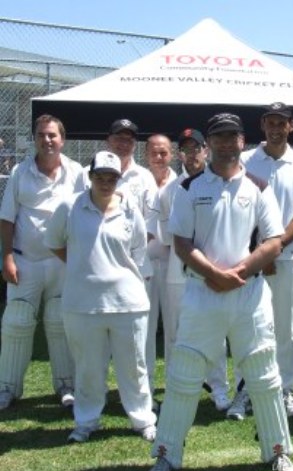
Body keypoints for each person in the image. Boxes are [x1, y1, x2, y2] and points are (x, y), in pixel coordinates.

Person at [147, 113, 293, 471]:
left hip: (250, 293)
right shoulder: (190, 187)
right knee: (184, 375)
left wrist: (241, 273)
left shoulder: (258, 186)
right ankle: (166, 454)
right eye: (219, 138)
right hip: (202, 291)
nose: (226, 144)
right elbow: (181, 242)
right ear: (209, 144)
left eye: (232, 137)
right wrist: (214, 274)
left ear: (242, 142)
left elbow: (274, 240)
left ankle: (278, 452)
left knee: (264, 374)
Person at [44, 151, 157, 443]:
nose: (105, 183)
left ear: (119, 179)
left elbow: (138, 250)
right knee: (88, 367)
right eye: (99, 177)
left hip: (128, 302)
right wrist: (83, 263)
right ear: (89, 177)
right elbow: (55, 243)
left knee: (133, 366)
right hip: (82, 303)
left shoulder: (130, 206)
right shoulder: (70, 206)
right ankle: (86, 421)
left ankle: (142, 420)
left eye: (111, 178)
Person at [235, 102, 293, 419]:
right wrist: (260, 254)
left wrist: (276, 246)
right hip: (250, 259)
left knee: (285, 328)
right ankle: (244, 391)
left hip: (289, 258)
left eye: (282, 122)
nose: (276, 128)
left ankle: (284, 391)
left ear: (291, 126)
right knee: (247, 326)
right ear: (263, 125)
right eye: (270, 122)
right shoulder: (245, 159)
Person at [0, 114, 83, 411]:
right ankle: (7, 388)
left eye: (52, 135)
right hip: (26, 262)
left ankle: (66, 386)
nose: (47, 140)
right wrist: (6, 257)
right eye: (41, 135)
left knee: (60, 321)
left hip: (62, 262)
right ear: (35, 138)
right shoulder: (21, 173)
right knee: (17, 321)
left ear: (63, 140)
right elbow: (6, 219)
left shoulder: (77, 173)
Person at [157, 128, 231, 412]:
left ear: (206, 150)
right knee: (176, 333)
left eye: (196, 148)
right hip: (178, 274)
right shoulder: (170, 191)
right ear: (180, 154)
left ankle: (219, 389)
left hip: (213, 272)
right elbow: (166, 237)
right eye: (186, 149)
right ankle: (176, 389)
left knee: (216, 330)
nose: (191, 154)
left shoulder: (220, 183)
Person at [145, 134, 177, 400]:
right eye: (154, 152)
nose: (159, 157)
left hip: (172, 263)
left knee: (174, 327)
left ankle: (174, 382)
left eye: (164, 152)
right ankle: (144, 385)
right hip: (142, 265)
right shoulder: (135, 181)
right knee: (143, 327)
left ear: (172, 155)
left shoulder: (181, 184)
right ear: (146, 155)